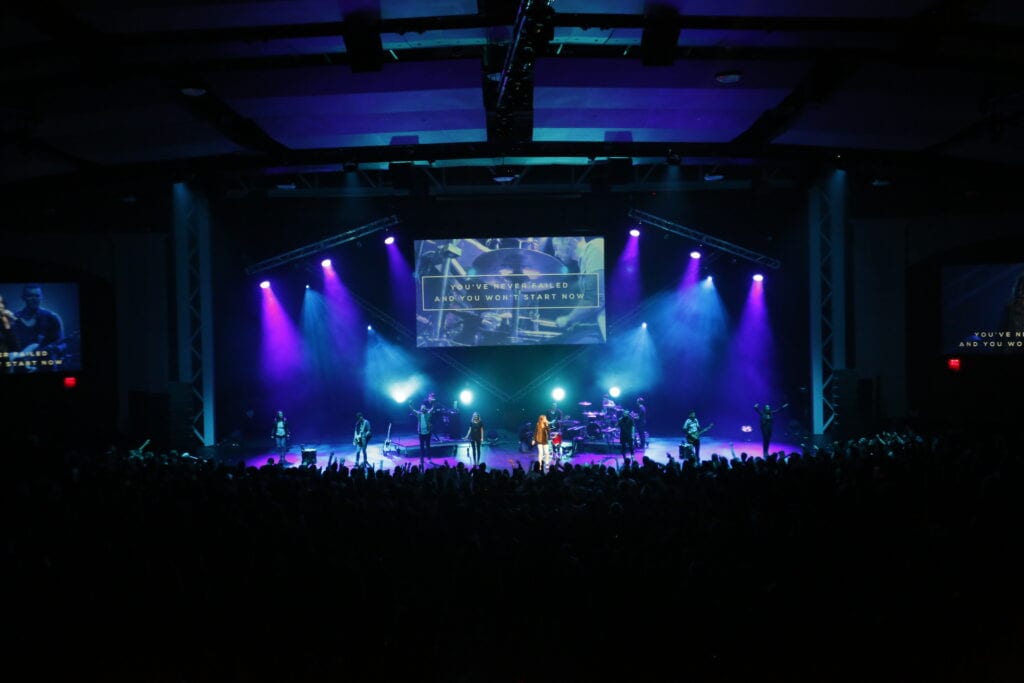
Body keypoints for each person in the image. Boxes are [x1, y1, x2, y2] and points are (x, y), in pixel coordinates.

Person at [551, 236, 606, 342]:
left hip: (606, 327)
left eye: (556, 247)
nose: (555, 254)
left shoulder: (594, 247)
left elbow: (594, 300)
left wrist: (568, 319)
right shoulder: (583, 261)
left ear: (568, 239)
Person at [10, 284, 65, 372]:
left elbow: (62, 343)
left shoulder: (51, 317)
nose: (34, 299)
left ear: (41, 297)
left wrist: (53, 350)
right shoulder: (13, 319)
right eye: (30, 296)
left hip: (45, 366)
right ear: (23, 297)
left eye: (37, 296)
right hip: (20, 367)